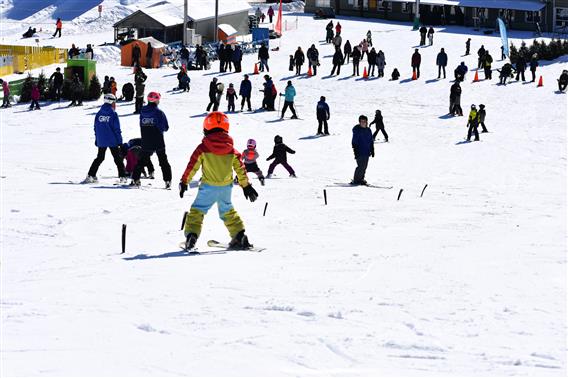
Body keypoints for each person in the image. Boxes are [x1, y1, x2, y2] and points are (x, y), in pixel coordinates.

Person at [179, 111, 258, 250]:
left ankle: (191, 237)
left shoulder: (203, 148)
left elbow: (192, 166)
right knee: (227, 211)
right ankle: (240, 236)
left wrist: (185, 181)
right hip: (225, 188)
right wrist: (246, 186)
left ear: (206, 128)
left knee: (197, 211)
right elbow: (240, 168)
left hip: (208, 187)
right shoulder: (232, 150)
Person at [130, 92, 172, 189]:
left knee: (141, 161)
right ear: (157, 100)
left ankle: (135, 179)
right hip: (158, 140)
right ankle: (167, 180)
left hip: (146, 140)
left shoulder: (142, 112)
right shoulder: (159, 113)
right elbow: (165, 127)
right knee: (163, 161)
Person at [83, 94, 127, 183]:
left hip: (101, 140)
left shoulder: (99, 113)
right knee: (117, 158)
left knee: (100, 158)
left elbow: (96, 127)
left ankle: (91, 175)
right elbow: (117, 129)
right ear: (112, 102)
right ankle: (122, 176)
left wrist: (97, 139)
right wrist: (120, 142)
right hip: (112, 140)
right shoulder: (113, 114)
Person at [351, 115, 374, 186]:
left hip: (366, 152)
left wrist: (372, 149)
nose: (363, 123)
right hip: (359, 151)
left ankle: (361, 179)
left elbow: (371, 141)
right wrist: (355, 151)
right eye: (362, 121)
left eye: (365, 121)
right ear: (359, 122)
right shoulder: (357, 130)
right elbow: (354, 141)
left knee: (364, 166)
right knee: (360, 166)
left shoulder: (368, 130)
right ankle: (356, 180)